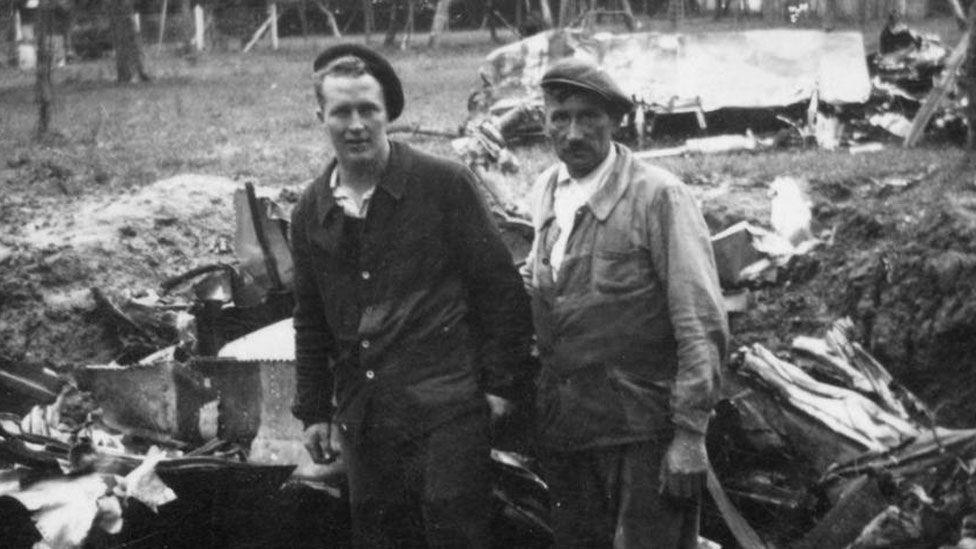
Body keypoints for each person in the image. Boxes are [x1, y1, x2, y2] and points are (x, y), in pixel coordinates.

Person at [290, 43, 534, 548]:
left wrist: (499, 386)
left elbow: (500, 289)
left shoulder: (442, 184)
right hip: (366, 420)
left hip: (446, 412)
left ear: (387, 115)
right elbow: (310, 317)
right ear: (321, 116)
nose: (356, 125)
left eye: (368, 110)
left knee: (454, 534)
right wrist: (315, 409)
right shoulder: (311, 211)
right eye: (341, 112)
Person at [524, 56, 728, 548]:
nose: (573, 132)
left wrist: (690, 435)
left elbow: (699, 318)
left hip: (643, 431)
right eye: (560, 117)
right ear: (545, 122)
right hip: (569, 429)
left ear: (615, 121)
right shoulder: (545, 191)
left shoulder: (658, 196)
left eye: (588, 117)